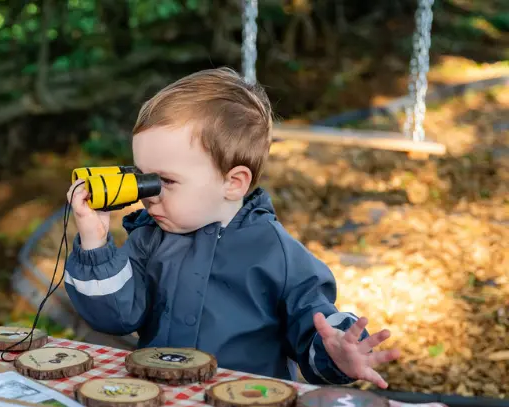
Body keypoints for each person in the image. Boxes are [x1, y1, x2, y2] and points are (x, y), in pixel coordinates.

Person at [63, 67, 399, 387]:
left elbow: (315, 324)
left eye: (164, 180)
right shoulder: (149, 239)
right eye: (143, 177)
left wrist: (336, 353)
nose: (148, 195)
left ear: (233, 183)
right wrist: (95, 243)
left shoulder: (274, 251)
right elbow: (114, 319)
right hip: (162, 397)